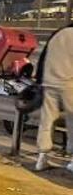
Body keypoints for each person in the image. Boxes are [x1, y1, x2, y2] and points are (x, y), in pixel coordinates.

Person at [35, 23, 73, 173]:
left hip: (49, 81)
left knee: (47, 119)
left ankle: (41, 158)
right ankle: (72, 160)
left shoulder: (58, 33)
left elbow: (43, 58)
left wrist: (39, 80)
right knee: (72, 120)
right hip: (69, 83)